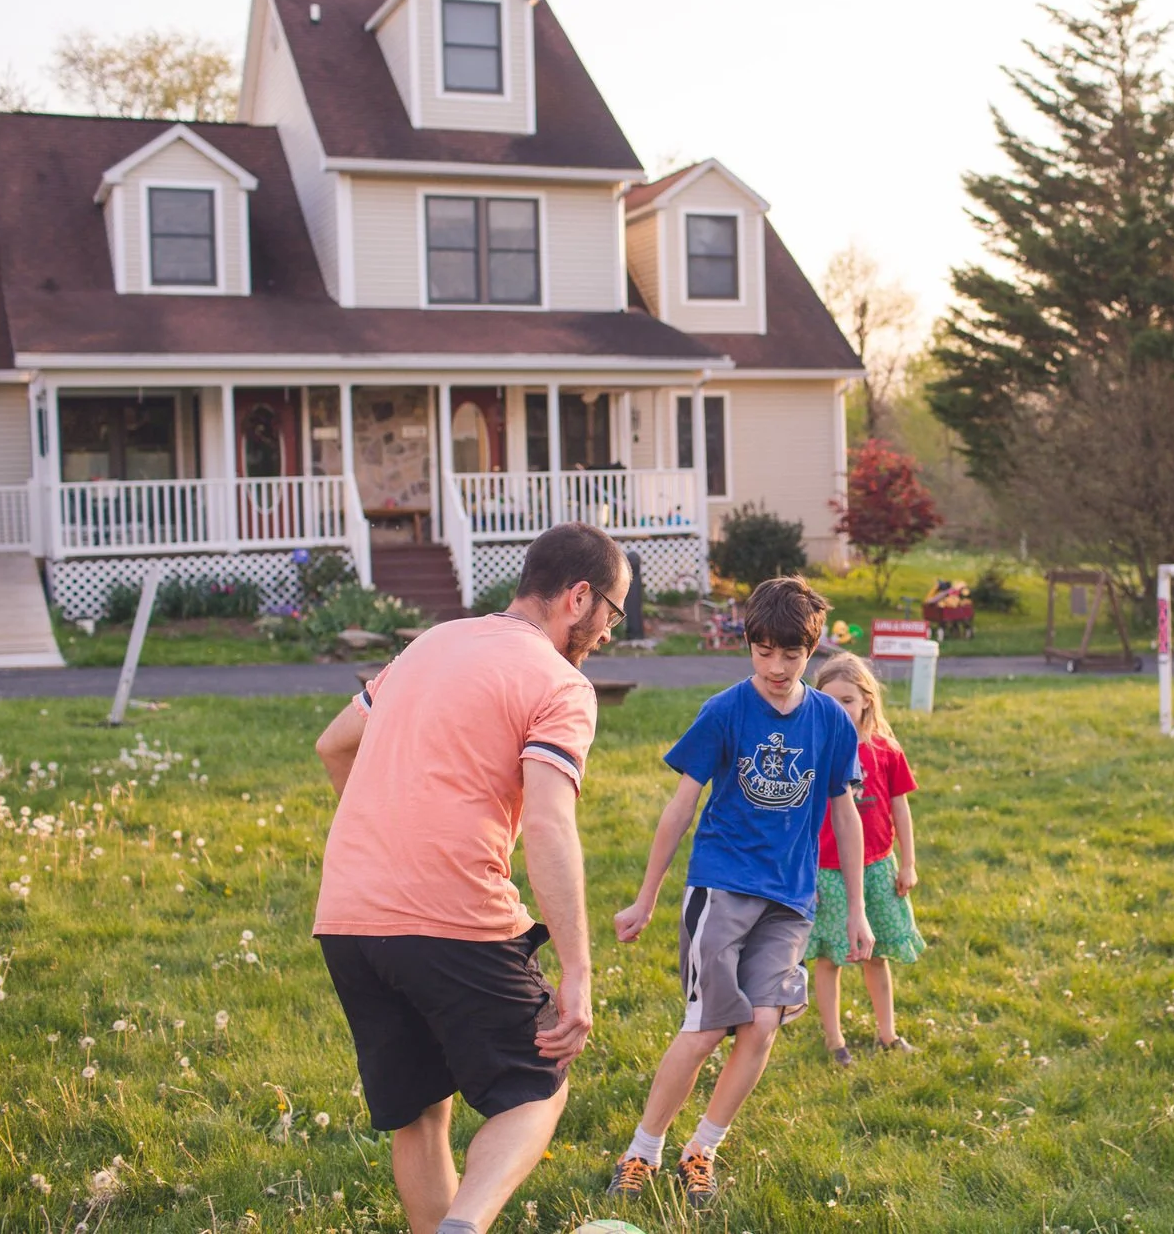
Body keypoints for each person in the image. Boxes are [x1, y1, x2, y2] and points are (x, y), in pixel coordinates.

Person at [310, 523, 629, 1234]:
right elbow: (548, 824)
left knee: (422, 1110)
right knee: (535, 1088)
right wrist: (576, 969)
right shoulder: (560, 683)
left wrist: (390, 835)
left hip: (347, 916)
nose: (609, 631)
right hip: (453, 916)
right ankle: (465, 1225)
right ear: (578, 597)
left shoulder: (431, 642)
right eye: (611, 612)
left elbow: (334, 743)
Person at [608, 576, 874, 1208]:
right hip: (721, 888)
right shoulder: (725, 711)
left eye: (792, 654)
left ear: (812, 650)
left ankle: (701, 1150)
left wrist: (857, 909)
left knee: (762, 1025)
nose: (777, 667)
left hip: (791, 900)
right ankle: (640, 1152)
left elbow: (845, 815)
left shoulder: (832, 722)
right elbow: (679, 810)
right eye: (764, 652)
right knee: (706, 1029)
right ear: (748, 643)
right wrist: (646, 898)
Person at [807, 653, 927, 1065]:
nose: (839, 709)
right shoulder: (814, 752)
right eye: (829, 701)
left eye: (847, 701)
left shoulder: (886, 751)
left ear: (866, 702)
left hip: (878, 867)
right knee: (829, 958)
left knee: (877, 957)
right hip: (827, 872)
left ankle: (887, 1033)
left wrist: (908, 863)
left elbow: (901, 809)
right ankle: (834, 1040)